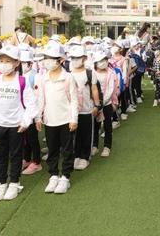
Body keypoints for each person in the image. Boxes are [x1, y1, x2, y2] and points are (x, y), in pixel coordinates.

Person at [0, 46, 39, 202]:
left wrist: (25, 122)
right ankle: (1, 183)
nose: (4, 64)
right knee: (0, 155)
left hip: (16, 126)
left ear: (16, 62)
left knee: (15, 155)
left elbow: (31, 104)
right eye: (1, 61)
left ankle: (14, 182)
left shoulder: (22, 81)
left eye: (8, 61)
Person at [35, 44, 78, 194]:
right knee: (52, 149)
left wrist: (74, 119)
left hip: (66, 119)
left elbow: (74, 100)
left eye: (50, 58)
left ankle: (65, 176)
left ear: (60, 60)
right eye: (45, 58)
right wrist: (38, 117)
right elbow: (41, 99)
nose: (47, 61)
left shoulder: (68, 77)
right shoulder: (43, 78)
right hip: (49, 119)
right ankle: (53, 175)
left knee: (67, 150)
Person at [68, 45, 101, 171]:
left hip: (87, 109)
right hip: (73, 111)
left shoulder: (89, 73)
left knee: (86, 133)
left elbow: (94, 89)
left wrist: (97, 105)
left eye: (78, 58)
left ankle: (85, 157)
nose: (75, 60)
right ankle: (77, 155)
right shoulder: (69, 74)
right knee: (75, 134)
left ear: (84, 58)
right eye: (73, 58)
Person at [19, 49, 42, 176]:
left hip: (32, 111)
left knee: (32, 138)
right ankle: (27, 159)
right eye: (20, 62)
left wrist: (37, 115)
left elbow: (37, 96)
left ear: (30, 63)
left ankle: (37, 161)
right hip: (22, 112)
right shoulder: (20, 75)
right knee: (25, 137)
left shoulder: (35, 76)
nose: (22, 65)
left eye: (25, 62)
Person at [92, 51, 119, 157]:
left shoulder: (111, 73)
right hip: (94, 104)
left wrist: (102, 103)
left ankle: (107, 146)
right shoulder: (92, 73)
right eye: (100, 61)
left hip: (107, 103)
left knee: (107, 125)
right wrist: (96, 103)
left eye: (105, 60)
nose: (103, 63)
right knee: (95, 125)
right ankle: (94, 146)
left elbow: (111, 89)